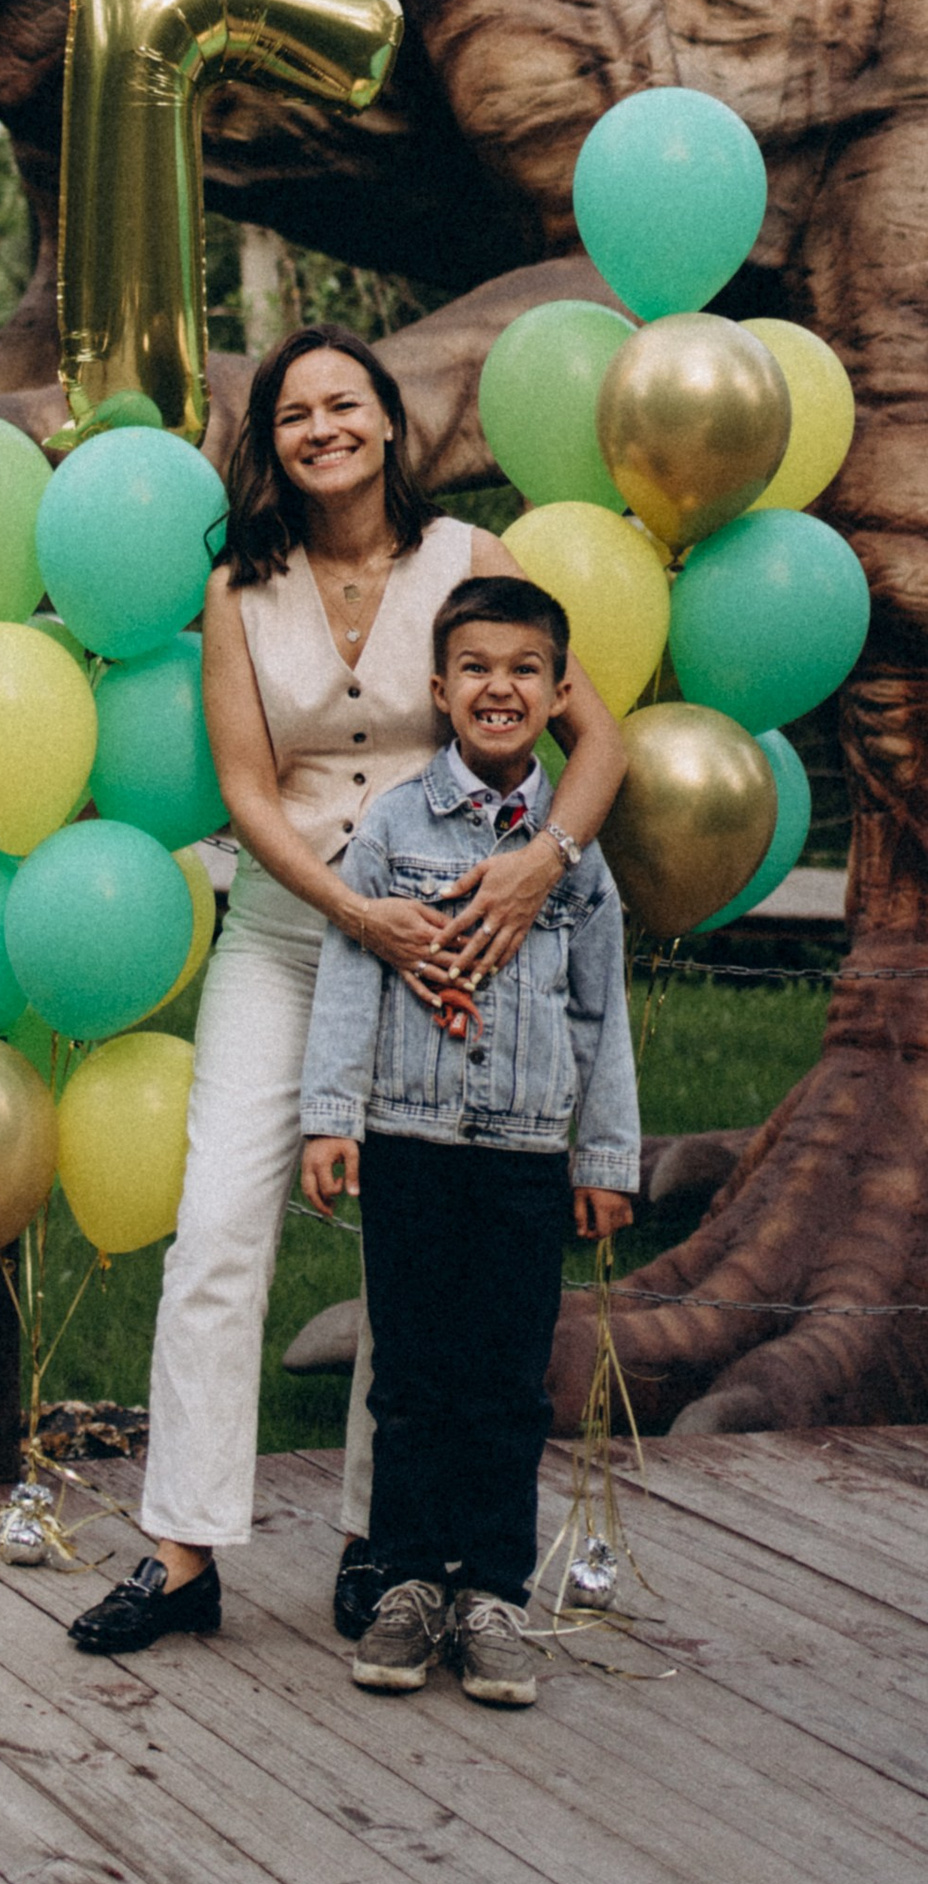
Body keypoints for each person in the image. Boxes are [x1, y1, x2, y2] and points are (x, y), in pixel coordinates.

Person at [70, 323, 627, 1660]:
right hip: (292, 930)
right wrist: (344, 909)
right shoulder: (236, 591)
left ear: (388, 421)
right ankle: (184, 1549)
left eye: (345, 404)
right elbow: (249, 790)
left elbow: (594, 737)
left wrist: (537, 866)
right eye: (293, 414)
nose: (321, 429)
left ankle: (383, 1548)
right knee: (217, 1230)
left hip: (452, 942)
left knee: (414, 1250)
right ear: (270, 443)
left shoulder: (470, 562)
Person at [300, 573, 640, 1705]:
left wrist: (603, 1160)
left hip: (525, 1152)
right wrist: (328, 1118)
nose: (500, 687)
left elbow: (603, 1011)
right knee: (411, 1374)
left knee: (504, 1380)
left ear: (556, 692)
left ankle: (491, 1590)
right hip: (411, 1138)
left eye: (525, 670)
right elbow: (352, 977)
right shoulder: (393, 828)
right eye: (477, 669)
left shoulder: (570, 854)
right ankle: (403, 1583)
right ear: (440, 689)